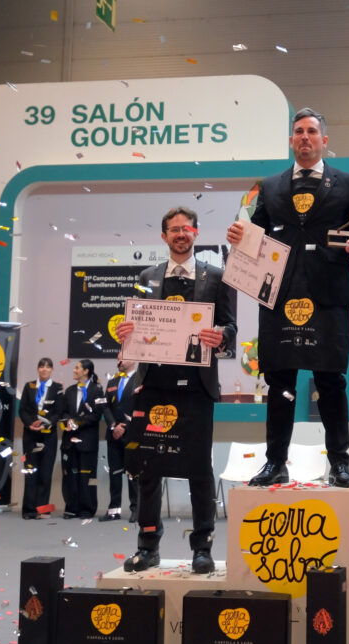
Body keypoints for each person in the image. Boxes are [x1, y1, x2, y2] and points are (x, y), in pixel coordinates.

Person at [226, 107, 349, 488]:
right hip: (280, 294)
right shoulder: (270, 186)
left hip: (329, 295)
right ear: (291, 140)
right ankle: (275, 462)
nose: (305, 137)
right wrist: (240, 236)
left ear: (324, 140)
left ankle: (339, 464)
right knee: (280, 384)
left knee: (331, 382)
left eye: (312, 131)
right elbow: (256, 234)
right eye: (299, 131)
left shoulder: (348, 183)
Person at [117, 206, 237, 574]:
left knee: (199, 470)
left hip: (197, 388)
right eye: (174, 229)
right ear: (164, 236)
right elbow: (136, 327)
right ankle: (147, 546)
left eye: (187, 228)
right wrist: (127, 336)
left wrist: (221, 337)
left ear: (196, 233)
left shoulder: (217, 277)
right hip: (153, 384)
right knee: (148, 469)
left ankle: (202, 548)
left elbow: (231, 329)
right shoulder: (146, 277)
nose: (181, 234)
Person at [17, 357, 64, 520]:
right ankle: (29, 510)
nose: (44, 369)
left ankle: (42, 509)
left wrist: (45, 424)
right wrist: (31, 423)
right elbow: (22, 410)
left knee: (45, 472)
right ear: (38, 369)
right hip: (30, 434)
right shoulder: (29, 386)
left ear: (52, 370)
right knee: (31, 472)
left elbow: (58, 411)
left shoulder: (57, 387)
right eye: (41, 366)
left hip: (48, 435)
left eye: (48, 367)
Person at [60, 359, 104, 519]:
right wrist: (68, 421)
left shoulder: (97, 390)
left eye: (77, 368)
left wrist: (77, 423)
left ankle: (87, 509)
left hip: (87, 441)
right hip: (69, 441)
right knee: (70, 476)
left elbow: (96, 415)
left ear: (86, 371)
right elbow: (63, 412)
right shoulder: (70, 391)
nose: (74, 370)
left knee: (87, 476)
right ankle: (71, 507)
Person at [100, 357, 139, 522]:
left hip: (132, 434)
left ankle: (136, 509)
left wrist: (125, 426)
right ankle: (114, 510)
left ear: (132, 360)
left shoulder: (140, 380)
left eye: (122, 359)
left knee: (133, 474)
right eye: (118, 359)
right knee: (114, 473)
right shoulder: (112, 381)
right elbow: (105, 406)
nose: (119, 362)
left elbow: (142, 406)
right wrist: (113, 425)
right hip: (113, 434)